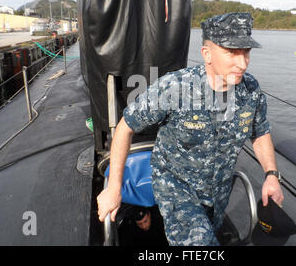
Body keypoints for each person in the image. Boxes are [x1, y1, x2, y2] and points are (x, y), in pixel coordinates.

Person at [97, 12, 284, 246]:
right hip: (176, 189)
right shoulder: (175, 87)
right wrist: (114, 187)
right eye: (231, 52)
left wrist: (271, 175)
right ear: (207, 54)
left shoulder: (251, 90)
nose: (242, 62)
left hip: (218, 194)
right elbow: (125, 127)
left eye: (246, 52)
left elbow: (260, 132)